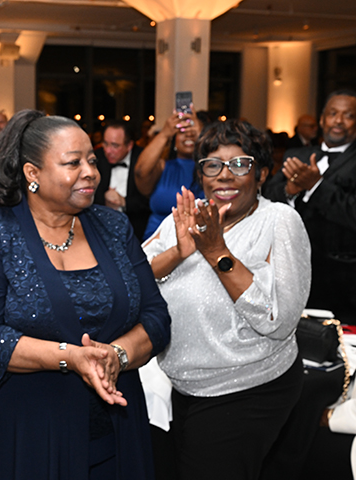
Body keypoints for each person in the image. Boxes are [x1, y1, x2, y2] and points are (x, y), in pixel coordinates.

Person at [0, 109, 171, 479]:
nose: (90, 172)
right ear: (32, 173)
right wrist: (71, 357)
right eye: (73, 163)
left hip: (117, 426)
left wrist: (117, 355)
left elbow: (156, 316)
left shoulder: (114, 227)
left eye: (92, 160)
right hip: (31, 434)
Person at [142, 119, 310, 480]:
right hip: (184, 386)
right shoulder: (185, 218)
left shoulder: (279, 221)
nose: (224, 175)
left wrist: (217, 251)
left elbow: (278, 320)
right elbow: (135, 277)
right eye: (213, 165)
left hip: (248, 387)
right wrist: (178, 251)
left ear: (261, 174)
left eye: (239, 164)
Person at [263, 89, 356, 324]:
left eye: (348, 115)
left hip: (344, 282)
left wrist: (316, 186)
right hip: (291, 272)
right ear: (322, 120)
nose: (338, 120)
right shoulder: (296, 155)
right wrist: (290, 190)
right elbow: (266, 199)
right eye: (332, 113)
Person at [135, 110, 208, 239]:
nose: (189, 135)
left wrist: (203, 135)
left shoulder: (211, 170)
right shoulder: (163, 167)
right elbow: (140, 172)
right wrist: (165, 133)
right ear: (174, 141)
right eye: (182, 132)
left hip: (199, 241)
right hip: (156, 242)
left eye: (193, 132)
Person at [93, 120, 151, 240]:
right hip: (100, 229)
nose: (108, 150)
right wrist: (105, 201)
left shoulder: (143, 160)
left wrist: (123, 202)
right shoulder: (96, 158)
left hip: (136, 230)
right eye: (105, 143)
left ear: (129, 145)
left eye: (115, 146)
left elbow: (149, 202)